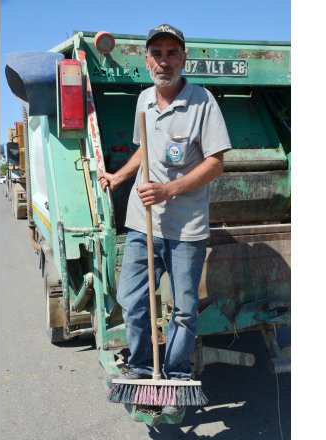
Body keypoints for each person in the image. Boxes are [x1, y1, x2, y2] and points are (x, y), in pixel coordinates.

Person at [98, 23, 232, 414]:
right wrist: (120, 176)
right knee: (133, 300)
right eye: (157, 53)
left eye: (172, 53)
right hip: (143, 223)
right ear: (146, 60)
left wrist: (170, 190)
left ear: (183, 58)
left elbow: (216, 164)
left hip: (186, 229)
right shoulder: (143, 100)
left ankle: (173, 375)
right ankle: (141, 369)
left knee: (185, 309)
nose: (164, 60)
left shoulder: (203, 102)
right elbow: (145, 151)